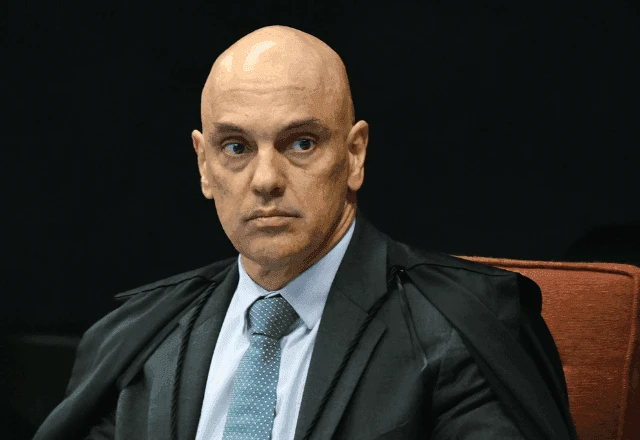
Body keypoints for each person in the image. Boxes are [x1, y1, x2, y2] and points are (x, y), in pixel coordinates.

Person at [33, 25, 579, 440]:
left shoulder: (466, 325)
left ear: (355, 154)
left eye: (301, 143)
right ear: (204, 165)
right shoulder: (133, 338)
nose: (266, 180)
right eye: (236, 147)